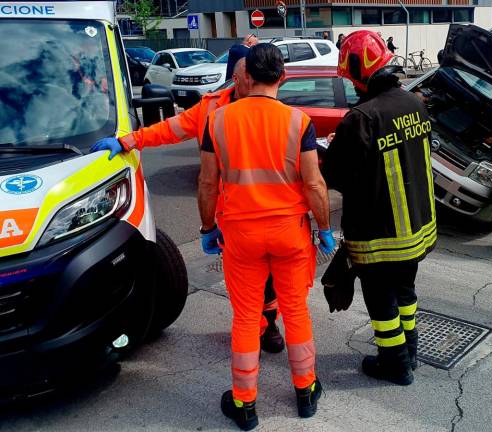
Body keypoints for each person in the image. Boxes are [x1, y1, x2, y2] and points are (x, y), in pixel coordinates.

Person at [90, 59, 287, 355]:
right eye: (250, 76)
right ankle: (254, 329)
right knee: (242, 283)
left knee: (270, 280)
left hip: (269, 213)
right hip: (230, 214)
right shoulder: (210, 108)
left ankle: (268, 324)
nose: (257, 81)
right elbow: (171, 129)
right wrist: (129, 140)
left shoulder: (272, 108)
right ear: (237, 78)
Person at [199, 44, 333, 430]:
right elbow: (315, 184)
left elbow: (208, 183)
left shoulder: (218, 121)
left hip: (240, 235)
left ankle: (245, 404)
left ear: (246, 77)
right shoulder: (298, 121)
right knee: (295, 311)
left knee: (245, 316)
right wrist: (323, 229)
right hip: (289, 234)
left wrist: (208, 229)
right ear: (283, 77)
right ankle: (306, 391)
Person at [323, 30, 436, 386]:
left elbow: (336, 175)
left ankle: (394, 364)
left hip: (379, 234)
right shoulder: (414, 103)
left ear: (359, 71)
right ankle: (411, 352)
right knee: (405, 293)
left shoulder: (361, 117)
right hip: (417, 228)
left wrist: (330, 148)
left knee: (380, 300)